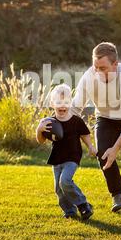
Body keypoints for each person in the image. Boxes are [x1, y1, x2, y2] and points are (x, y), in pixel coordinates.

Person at [71, 42, 121, 212]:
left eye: (103, 68)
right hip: (106, 119)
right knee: (104, 154)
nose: (98, 72)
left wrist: (116, 148)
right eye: (95, 67)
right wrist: (58, 123)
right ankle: (118, 195)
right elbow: (75, 108)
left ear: (116, 64)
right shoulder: (88, 77)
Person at [36, 83, 97, 220]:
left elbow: (84, 134)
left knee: (65, 181)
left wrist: (91, 146)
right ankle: (69, 211)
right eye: (58, 102)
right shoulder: (49, 122)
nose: (62, 105)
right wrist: (39, 130)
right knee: (58, 188)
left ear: (70, 103)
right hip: (57, 158)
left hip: (72, 156)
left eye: (66, 102)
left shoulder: (76, 121)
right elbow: (40, 140)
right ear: (52, 103)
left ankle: (83, 204)